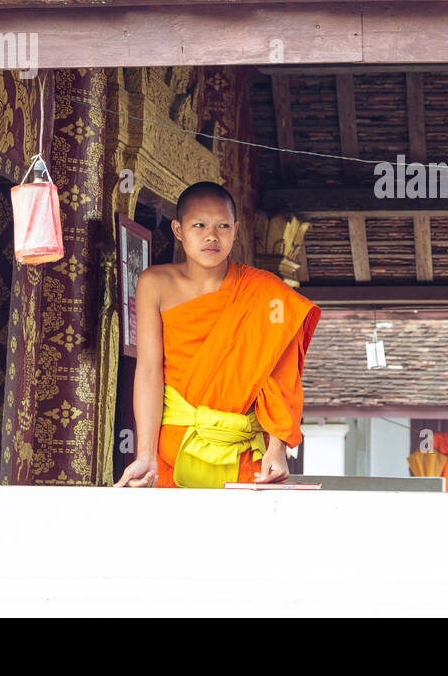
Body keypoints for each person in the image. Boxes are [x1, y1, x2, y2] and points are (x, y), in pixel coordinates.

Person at [115, 181, 321, 489]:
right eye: (199, 225)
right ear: (178, 229)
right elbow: (148, 371)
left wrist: (278, 449)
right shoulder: (154, 283)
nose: (212, 235)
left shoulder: (267, 293)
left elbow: (282, 377)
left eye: (223, 225)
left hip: (247, 455)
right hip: (172, 452)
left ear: (235, 230)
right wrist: (144, 455)